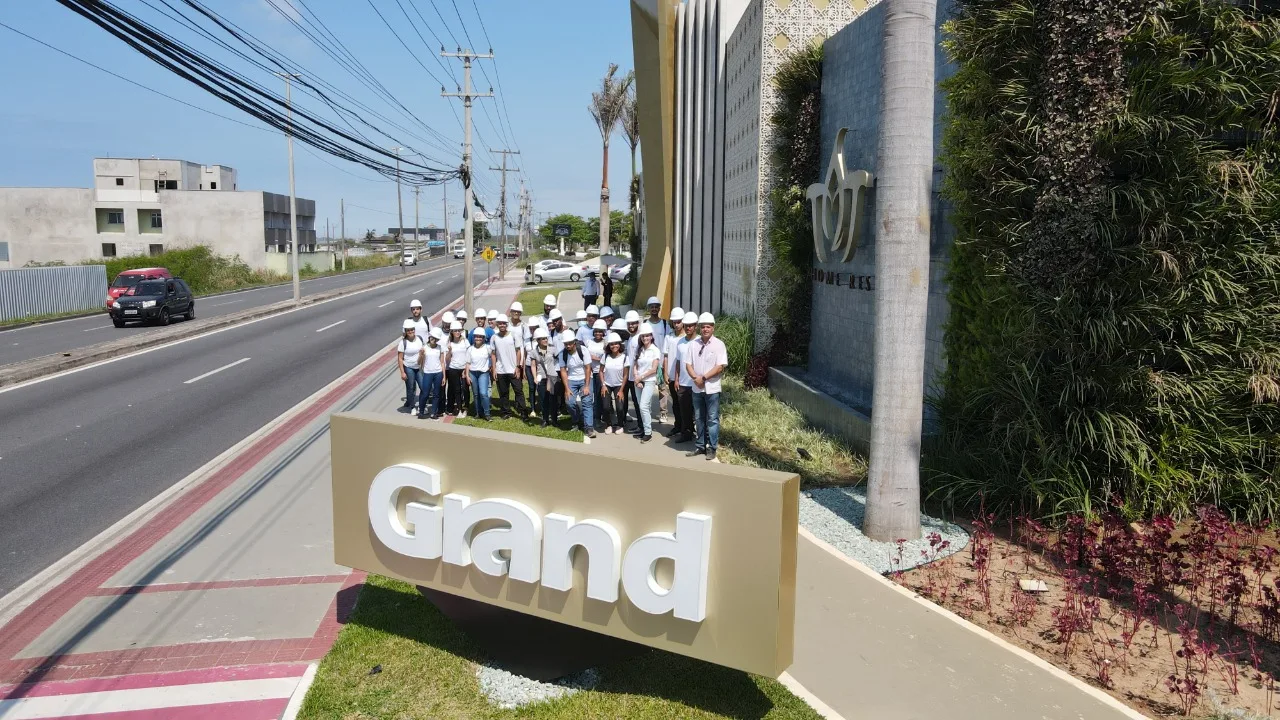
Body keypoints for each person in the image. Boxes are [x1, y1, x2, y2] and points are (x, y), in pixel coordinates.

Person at [685, 312, 728, 461]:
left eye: (708, 327)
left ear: (713, 328)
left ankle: (711, 447)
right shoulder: (693, 344)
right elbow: (688, 364)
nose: (705, 329)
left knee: (712, 419)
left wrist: (703, 378)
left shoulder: (719, 345)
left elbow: (720, 367)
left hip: (712, 388)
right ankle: (700, 445)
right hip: (697, 388)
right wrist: (695, 378)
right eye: (703, 327)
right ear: (699, 328)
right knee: (699, 418)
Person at [559, 331, 595, 437]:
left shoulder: (583, 351)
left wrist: (587, 386)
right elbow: (563, 371)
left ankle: (589, 428)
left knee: (587, 401)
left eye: (570, 343)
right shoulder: (563, 354)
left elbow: (588, 368)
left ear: (575, 342)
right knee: (569, 403)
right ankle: (576, 420)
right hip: (571, 379)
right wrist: (566, 388)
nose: (568, 346)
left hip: (585, 378)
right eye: (566, 344)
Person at [491, 313, 525, 418]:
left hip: (513, 369)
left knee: (518, 391)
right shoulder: (494, 337)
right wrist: (494, 369)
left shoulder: (513, 335)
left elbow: (518, 351)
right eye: (500, 323)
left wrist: (517, 366)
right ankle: (506, 412)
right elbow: (493, 354)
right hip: (501, 370)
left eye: (504, 323)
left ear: (507, 324)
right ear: (497, 325)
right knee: (503, 393)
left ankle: (523, 412)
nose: (502, 325)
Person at [632, 322, 662, 442]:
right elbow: (635, 365)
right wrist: (636, 377)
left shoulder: (655, 350)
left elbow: (653, 369)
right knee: (642, 407)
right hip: (638, 382)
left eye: (647, 336)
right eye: (643, 336)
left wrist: (641, 377)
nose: (645, 338)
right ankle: (644, 429)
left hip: (649, 381)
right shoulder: (639, 349)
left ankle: (648, 432)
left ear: (651, 336)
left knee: (644, 406)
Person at [674, 311, 699, 442]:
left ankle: (700, 436)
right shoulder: (680, 342)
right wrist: (676, 379)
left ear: (696, 326)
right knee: (684, 411)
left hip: (696, 383)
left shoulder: (700, 341)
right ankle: (686, 434)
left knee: (698, 412)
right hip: (683, 383)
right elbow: (678, 361)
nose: (688, 328)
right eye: (686, 325)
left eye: (691, 325)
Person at [662, 310, 687, 437]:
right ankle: (677, 426)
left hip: (685, 377)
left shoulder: (686, 338)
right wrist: (665, 373)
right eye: (674, 322)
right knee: (676, 403)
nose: (676, 324)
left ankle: (686, 428)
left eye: (679, 322)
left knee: (685, 404)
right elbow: (665, 356)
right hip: (672, 375)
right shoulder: (669, 337)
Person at [529, 326, 559, 427]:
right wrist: (534, 377)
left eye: (546, 338)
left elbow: (558, 363)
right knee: (543, 400)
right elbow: (533, 365)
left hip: (552, 377)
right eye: (543, 338)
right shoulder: (534, 352)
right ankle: (545, 419)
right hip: (541, 377)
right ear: (538, 340)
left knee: (553, 399)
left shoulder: (553, 349)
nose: (545, 340)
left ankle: (554, 419)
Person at [465, 323, 495, 421]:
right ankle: (478, 413)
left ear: (483, 338)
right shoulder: (470, 349)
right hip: (473, 373)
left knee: (483, 393)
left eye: (480, 337)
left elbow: (494, 356)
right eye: (476, 337)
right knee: (476, 394)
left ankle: (487, 413)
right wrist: (467, 375)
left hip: (483, 373)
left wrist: (492, 366)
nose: (478, 338)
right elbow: (468, 363)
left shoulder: (487, 348)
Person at [600, 332, 628, 434]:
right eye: (611, 344)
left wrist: (621, 390)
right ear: (609, 346)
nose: (614, 346)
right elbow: (600, 371)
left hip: (619, 385)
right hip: (607, 384)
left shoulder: (624, 357)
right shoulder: (605, 356)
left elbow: (625, 375)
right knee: (605, 407)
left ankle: (620, 425)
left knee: (620, 408)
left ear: (620, 344)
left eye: (616, 343)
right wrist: (603, 385)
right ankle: (608, 424)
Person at [397, 319, 425, 414]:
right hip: (408, 367)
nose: (410, 331)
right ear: (405, 331)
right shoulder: (403, 343)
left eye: (412, 329)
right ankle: (413, 406)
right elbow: (400, 358)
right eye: (408, 330)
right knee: (411, 388)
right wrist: (402, 372)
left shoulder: (420, 339)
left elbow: (424, 353)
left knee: (423, 387)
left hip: (419, 367)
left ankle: (421, 405)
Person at [419, 328, 446, 419]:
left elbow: (442, 362)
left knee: (436, 394)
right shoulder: (424, 348)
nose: (433, 339)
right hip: (427, 372)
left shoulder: (440, 348)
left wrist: (444, 376)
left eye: (435, 338)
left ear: (438, 340)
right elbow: (419, 362)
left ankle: (433, 412)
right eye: (432, 337)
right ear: (429, 337)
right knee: (425, 393)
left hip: (438, 372)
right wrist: (421, 355)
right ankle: (421, 411)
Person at [445, 321, 470, 416]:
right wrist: (449, 351)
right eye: (455, 331)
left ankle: (466, 407)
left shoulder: (465, 341)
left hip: (463, 368)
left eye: (459, 330)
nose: (457, 332)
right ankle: (459, 409)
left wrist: (466, 369)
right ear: (452, 332)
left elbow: (469, 355)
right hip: (453, 368)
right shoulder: (449, 343)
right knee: (456, 390)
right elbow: (447, 360)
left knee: (465, 388)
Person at [586, 319, 607, 430]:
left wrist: (596, 358)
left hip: (600, 372)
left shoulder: (606, 343)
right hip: (590, 372)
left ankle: (599, 418)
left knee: (599, 396)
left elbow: (607, 358)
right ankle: (592, 417)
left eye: (600, 331)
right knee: (590, 395)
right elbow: (585, 355)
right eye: (596, 331)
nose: (598, 333)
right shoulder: (589, 342)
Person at [623, 310, 642, 432]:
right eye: (629, 324)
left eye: (633, 323)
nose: (631, 326)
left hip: (637, 376)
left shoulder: (639, 338)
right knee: (636, 403)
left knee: (640, 404)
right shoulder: (630, 338)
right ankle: (641, 426)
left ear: (638, 323)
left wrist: (638, 376)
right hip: (630, 376)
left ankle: (643, 427)